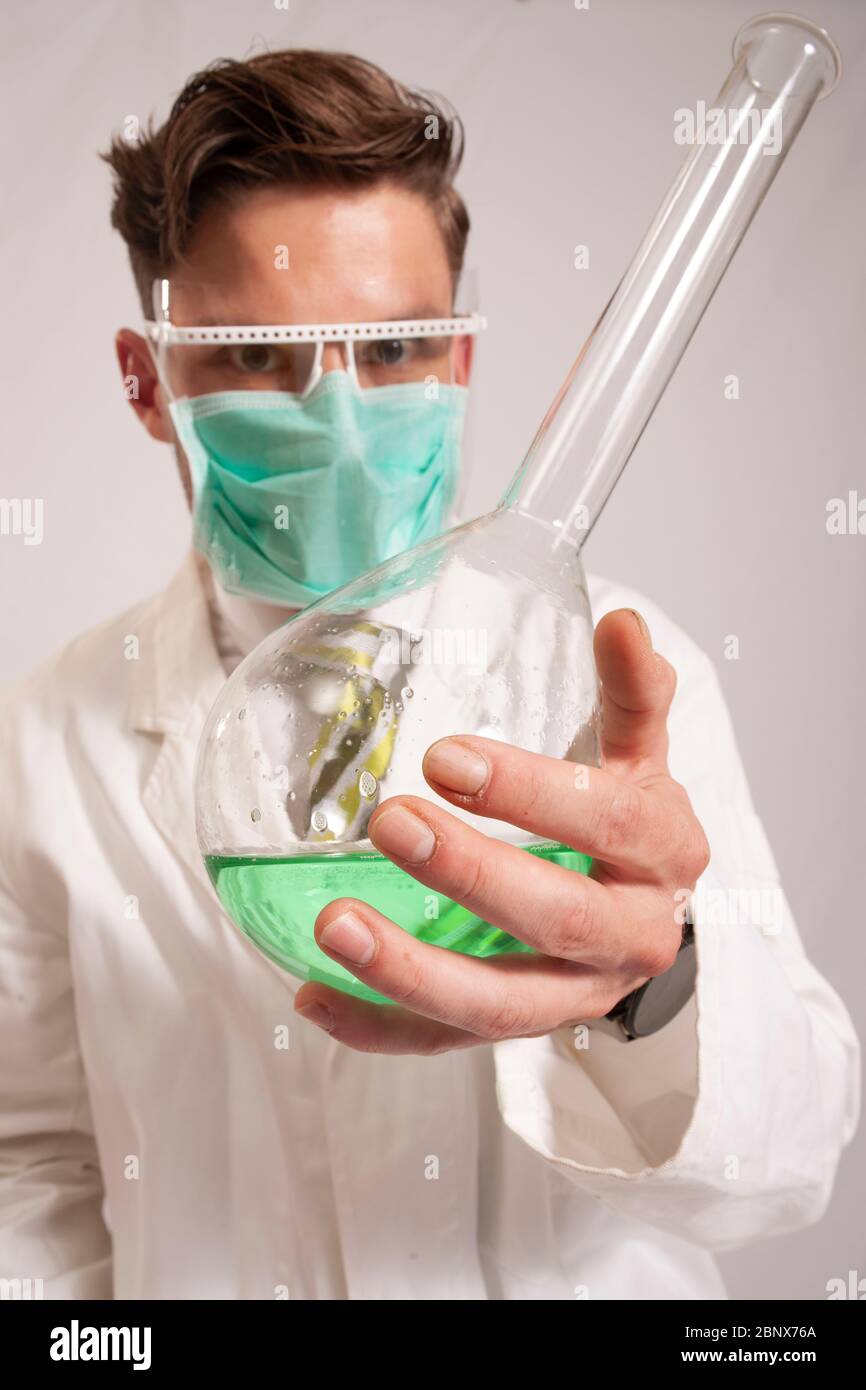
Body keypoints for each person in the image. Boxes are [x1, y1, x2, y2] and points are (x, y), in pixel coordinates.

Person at [0, 49, 858, 1301]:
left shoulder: (617, 672)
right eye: (258, 358)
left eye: (395, 346)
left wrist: (651, 981)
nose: (339, 419)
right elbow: (31, 1163)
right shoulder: (42, 737)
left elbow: (787, 1161)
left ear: (459, 365)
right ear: (149, 381)